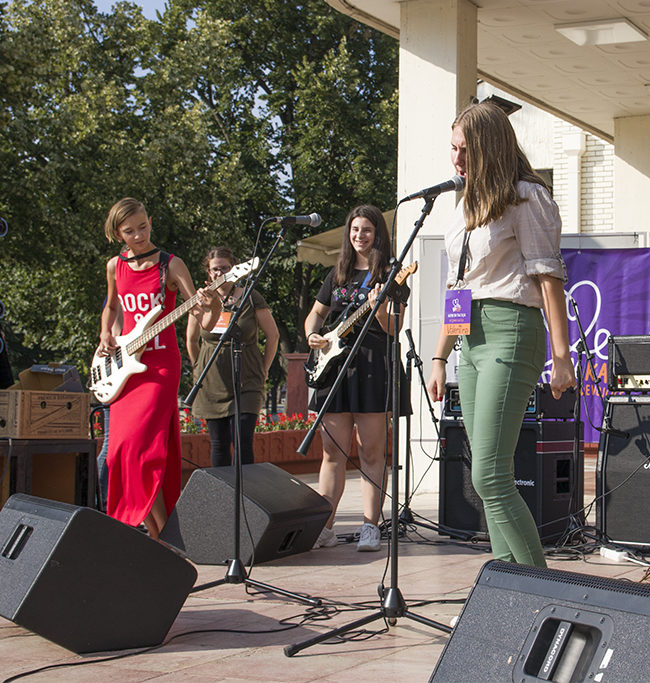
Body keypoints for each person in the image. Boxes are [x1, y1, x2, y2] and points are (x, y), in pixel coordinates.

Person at [425, 101, 576, 568]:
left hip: (512, 328)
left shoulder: (527, 196)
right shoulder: (466, 203)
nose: (456, 159)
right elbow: (459, 287)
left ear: (490, 147)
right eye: (452, 149)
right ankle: (510, 588)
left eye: (465, 150)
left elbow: (548, 278)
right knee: (490, 474)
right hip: (470, 339)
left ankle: (539, 586)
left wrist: (562, 356)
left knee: (490, 476)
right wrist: (438, 356)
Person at [97, 198, 220, 537]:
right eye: (129, 231)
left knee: (142, 451)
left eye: (143, 227)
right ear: (117, 233)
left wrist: (214, 303)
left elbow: (203, 320)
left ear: (150, 221)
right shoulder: (114, 266)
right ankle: (158, 536)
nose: (138, 235)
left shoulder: (171, 265)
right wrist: (105, 334)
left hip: (159, 368)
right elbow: (111, 307)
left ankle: (165, 533)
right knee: (116, 455)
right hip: (124, 369)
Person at [304, 205, 410, 552]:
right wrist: (312, 337)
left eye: (366, 230)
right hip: (335, 367)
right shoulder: (338, 272)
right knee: (331, 451)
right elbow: (315, 316)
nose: (359, 235)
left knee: (371, 451)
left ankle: (370, 525)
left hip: (372, 364)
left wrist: (379, 306)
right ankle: (325, 525)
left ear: (378, 233)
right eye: (354, 230)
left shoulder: (392, 275)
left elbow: (394, 328)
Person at [186, 246, 280, 468]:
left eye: (224, 268)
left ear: (234, 269)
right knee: (218, 444)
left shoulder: (251, 295)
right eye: (214, 270)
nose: (219, 274)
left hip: (246, 379)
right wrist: (199, 366)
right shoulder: (200, 301)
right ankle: (224, 498)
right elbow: (191, 340)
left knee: (243, 441)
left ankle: (245, 495)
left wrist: (264, 368)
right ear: (208, 273)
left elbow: (273, 335)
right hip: (211, 383)